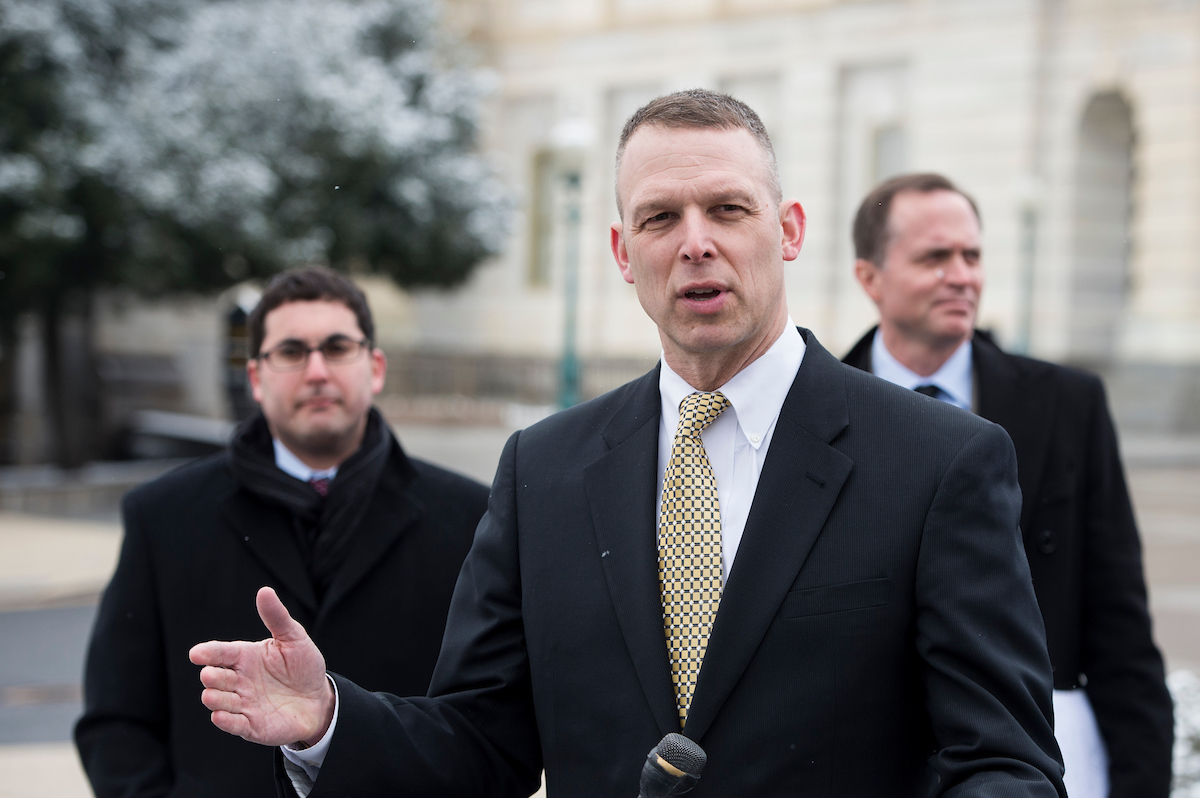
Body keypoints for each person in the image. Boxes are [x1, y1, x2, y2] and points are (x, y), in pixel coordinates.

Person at [191, 91, 1066, 797]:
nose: (696, 244)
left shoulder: (940, 461)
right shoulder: (544, 472)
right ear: (621, 250)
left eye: (728, 208)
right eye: (659, 218)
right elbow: (479, 744)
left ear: (789, 230)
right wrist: (328, 720)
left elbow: (1006, 764)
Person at [75, 267, 489, 798]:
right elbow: (117, 722)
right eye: (291, 352)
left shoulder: (470, 518)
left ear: (376, 367)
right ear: (255, 378)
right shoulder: (162, 516)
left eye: (338, 348)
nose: (316, 371)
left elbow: (484, 729)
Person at [843, 172, 1174, 798]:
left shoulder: (1069, 404)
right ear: (870, 279)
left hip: (1043, 755)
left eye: (972, 255)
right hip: (877, 763)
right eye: (935, 257)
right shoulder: (817, 412)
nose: (962, 275)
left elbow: (1119, 620)